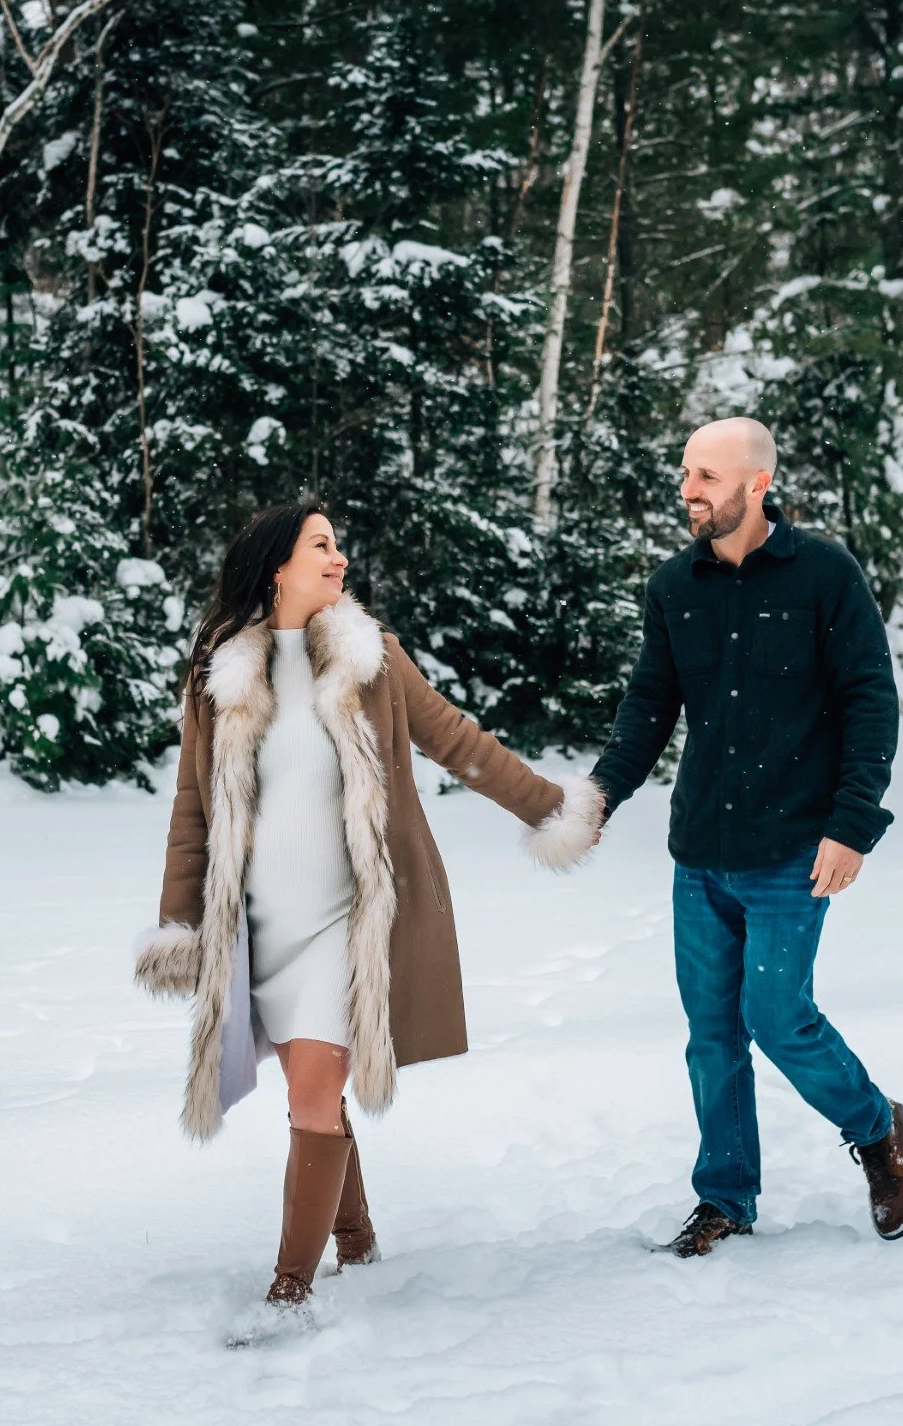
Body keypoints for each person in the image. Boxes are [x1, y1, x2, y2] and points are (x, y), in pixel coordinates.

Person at [134, 502, 605, 1309]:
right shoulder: (221, 673)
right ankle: (353, 1237)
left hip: (345, 924)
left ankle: (289, 1290)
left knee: (316, 1093)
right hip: (259, 928)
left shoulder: (370, 659)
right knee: (305, 1096)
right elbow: (192, 809)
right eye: (321, 546)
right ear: (276, 565)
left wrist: (550, 809)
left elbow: (458, 741)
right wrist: (180, 924)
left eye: (338, 545)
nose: (339, 558)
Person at [586, 417, 903, 1258]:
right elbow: (649, 707)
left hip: (792, 850)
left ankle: (877, 1127)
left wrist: (852, 826)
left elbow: (869, 704)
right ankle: (725, 1198)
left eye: (704, 476)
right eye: (685, 474)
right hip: (700, 854)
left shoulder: (824, 576)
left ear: (756, 485)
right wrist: (598, 796)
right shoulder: (674, 588)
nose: (687, 490)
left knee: (776, 1015)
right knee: (711, 1035)